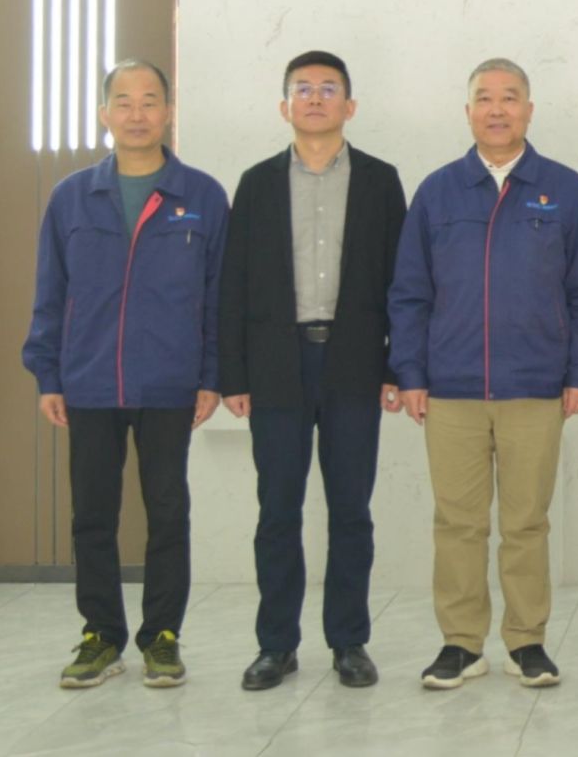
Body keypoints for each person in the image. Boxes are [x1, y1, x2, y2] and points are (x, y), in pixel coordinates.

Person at [389, 58, 578, 690]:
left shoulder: (565, 189)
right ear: (468, 112)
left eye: (510, 98)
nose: (498, 109)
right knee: (458, 523)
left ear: (529, 110)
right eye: (485, 98)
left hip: (535, 385)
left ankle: (526, 641)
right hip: (451, 388)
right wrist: (411, 372)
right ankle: (460, 643)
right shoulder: (438, 191)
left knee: (526, 522)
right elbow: (410, 291)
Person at [21, 60, 227, 689]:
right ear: (104, 114)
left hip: (170, 382)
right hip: (89, 382)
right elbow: (50, 292)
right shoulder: (71, 197)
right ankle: (101, 635)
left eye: (150, 101)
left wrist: (212, 375)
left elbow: (219, 297)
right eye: (124, 102)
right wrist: (48, 374)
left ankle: (162, 636)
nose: (137, 114)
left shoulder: (202, 196)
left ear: (169, 112)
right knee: (92, 515)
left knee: (167, 512)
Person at [218, 50, 407, 691]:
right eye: (304, 89)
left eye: (329, 89)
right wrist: (234, 375)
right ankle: (276, 645)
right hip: (277, 365)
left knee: (351, 509)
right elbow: (233, 284)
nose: (316, 98)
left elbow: (402, 282)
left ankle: (349, 641)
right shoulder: (256, 184)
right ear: (285, 107)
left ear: (350, 106)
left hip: (355, 362)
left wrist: (397, 366)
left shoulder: (381, 181)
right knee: (278, 509)